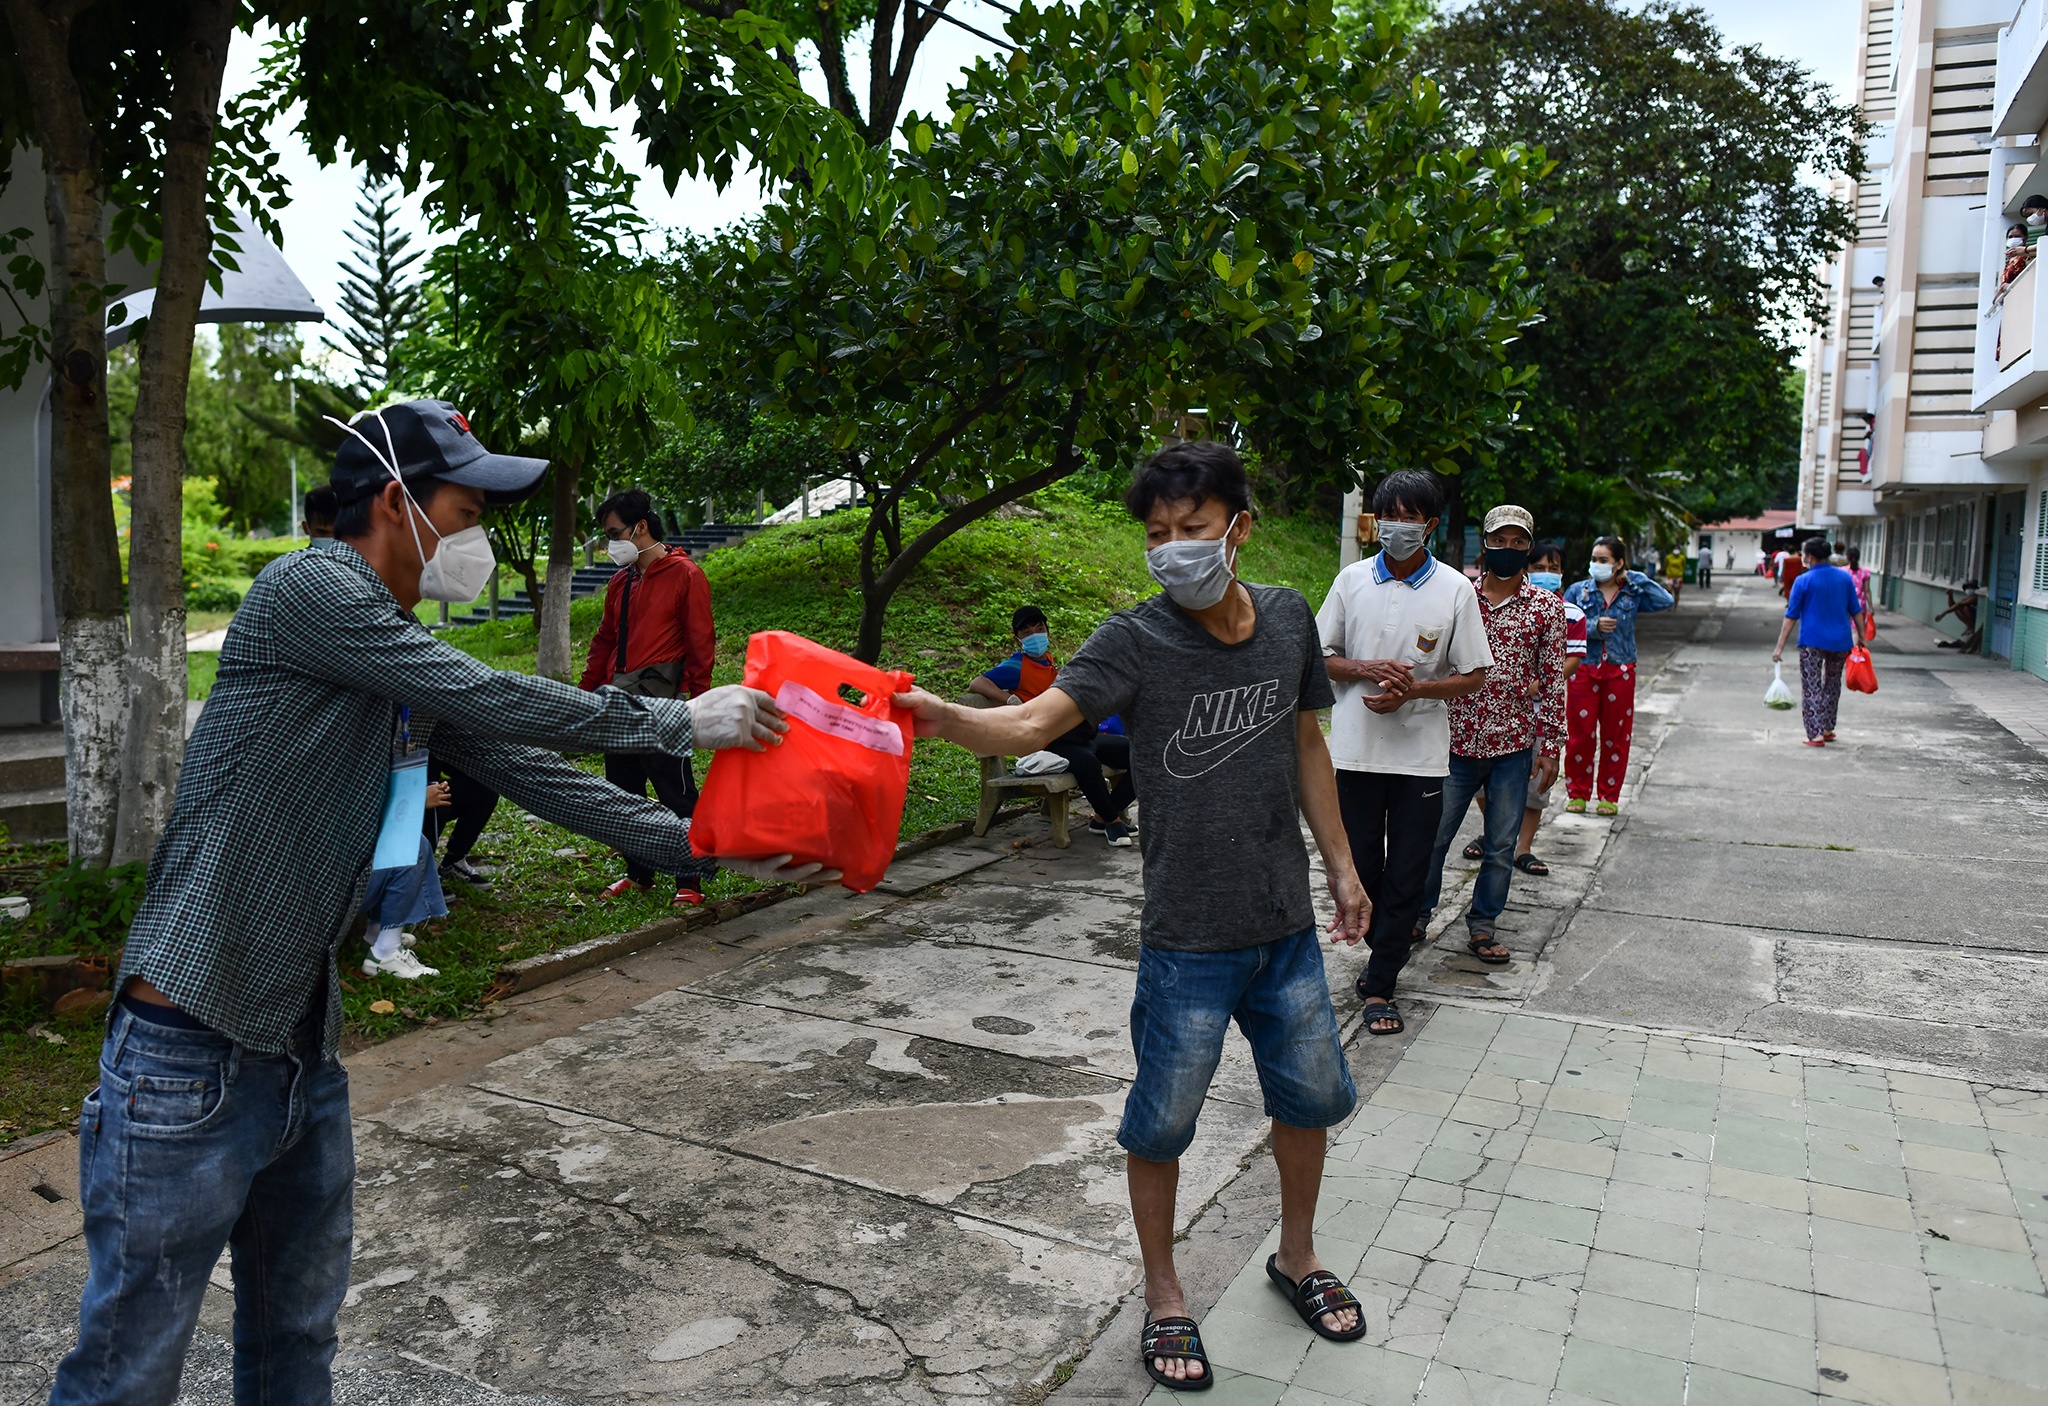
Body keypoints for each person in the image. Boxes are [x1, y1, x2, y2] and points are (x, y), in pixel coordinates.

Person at [51, 399, 818, 1405]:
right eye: (464, 511)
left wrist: (712, 848)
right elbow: (497, 695)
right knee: (127, 1369)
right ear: (392, 501)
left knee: (294, 1340)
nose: (476, 541)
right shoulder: (311, 587)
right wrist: (677, 717)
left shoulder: (385, 646)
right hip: (185, 1046)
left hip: (295, 1048)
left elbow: (535, 772)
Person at [894, 441, 1372, 1392]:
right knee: (1160, 1126)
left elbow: (1308, 741)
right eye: (1157, 535)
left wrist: (1344, 869)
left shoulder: (1285, 620)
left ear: (1240, 526)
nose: (1173, 550)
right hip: (1186, 941)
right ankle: (1165, 1296)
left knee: (1308, 1103)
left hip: (1284, 931)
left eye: (1192, 530)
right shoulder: (1134, 640)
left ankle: (1298, 1258)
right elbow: (1032, 727)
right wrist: (941, 715)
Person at [1316, 470, 1490, 1036]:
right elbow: (1319, 657)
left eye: (1410, 516)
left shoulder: (1455, 590)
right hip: (1354, 753)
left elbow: (1473, 676)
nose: (1397, 525)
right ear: (1376, 520)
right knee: (1361, 865)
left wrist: (1414, 689)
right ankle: (1378, 953)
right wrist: (1365, 668)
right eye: (1389, 514)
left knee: (1408, 872)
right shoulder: (1350, 581)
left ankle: (1382, 982)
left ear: (1430, 525)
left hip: (1420, 758)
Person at [1416, 506, 1565, 966]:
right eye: (1500, 540)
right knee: (1433, 837)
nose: (1509, 549)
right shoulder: (1458, 596)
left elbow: (1554, 680)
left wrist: (1552, 746)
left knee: (1501, 846)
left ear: (1529, 546)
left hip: (1513, 747)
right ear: (1485, 543)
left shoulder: (1547, 607)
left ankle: (1483, 926)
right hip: (1453, 743)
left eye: (1519, 542)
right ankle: (1416, 917)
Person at [579, 487, 719, 906]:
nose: (609, 543)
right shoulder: (621, 580)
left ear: (640, 527)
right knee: (624, 794)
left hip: (663, 703)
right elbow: (605, 639)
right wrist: (587, 693)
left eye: (614, 532)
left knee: (675, 792)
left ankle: (689, 878)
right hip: (617, 701)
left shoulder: (685, 575)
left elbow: (701, 642)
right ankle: (639, 875)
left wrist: (699, 702)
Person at [969, 605, 1136, 845]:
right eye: (1027, 632)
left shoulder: (1051, 664)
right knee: (1086, 762)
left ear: (1047, 631)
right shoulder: (1017, 666)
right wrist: (1008, 698)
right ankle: (1112, 823)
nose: (1035, 635)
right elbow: (977, 683)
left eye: (1039, 629)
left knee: (1139, 754)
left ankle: (1102, 816)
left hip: (1076, 735)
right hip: (1046, 740)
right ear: (1017, 638)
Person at [1561, 537, 1673, 816]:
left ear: (1618, 563)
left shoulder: (1631, 593)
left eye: (1604, 560)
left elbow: (1665, 600)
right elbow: (1561, 623)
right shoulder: (1578, 591)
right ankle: (1577, 792)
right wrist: (1592, 626)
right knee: (1580, 734)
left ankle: (1609, 795)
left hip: (1620, 669)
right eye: (1594, 559)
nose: (1596, 565)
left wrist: (1632, 576)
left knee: (1616, 736)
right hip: (1584, 668)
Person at [1774, 535, 1864, 747]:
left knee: (1812, 687)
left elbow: (1791, 616)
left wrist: (1779, 646)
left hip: (1812, 642)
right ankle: (1827, 728)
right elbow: (1856, 610)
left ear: (1810, 557)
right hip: (1841, 641)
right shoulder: (1844, 578)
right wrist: (1862, 637)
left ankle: (1815, 735)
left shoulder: (1803, 581)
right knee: (1832, 684)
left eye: (1804, 554)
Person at [359, 825, 449, 981]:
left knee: (392, 838)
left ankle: (376, 934)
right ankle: (386, 952)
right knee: (411, 842)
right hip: (329, 898)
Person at [426, 751, 499, 888]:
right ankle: (421, 874)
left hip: (430, 784)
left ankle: (454, 861)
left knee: (486, 785)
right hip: (400, 798)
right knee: (439, 800)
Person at [1936, 579, 1982, 651]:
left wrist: (1943, 613)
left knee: (1965, 607)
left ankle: (1971, 627)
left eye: (1971, 587)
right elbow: (1954, 606)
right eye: (1968, 587)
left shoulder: (1975, 597)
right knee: (1957, 609)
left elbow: (1961, 604)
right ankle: (1969, 626)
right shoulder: (1967, 597)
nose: (1969, 589)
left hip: (1977, 617)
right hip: (1971, 617)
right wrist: (1950, 596)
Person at [1845, 545, 1875, 643]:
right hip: (1859, 605)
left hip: (1844, 603)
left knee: (1845, 628)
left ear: (1847, 557)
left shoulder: (1842, 571)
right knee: (1856, 631)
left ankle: (1845, 652)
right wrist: (1871, 607)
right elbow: (1867, 590)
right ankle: (1854, 654)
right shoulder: (1865, 573)